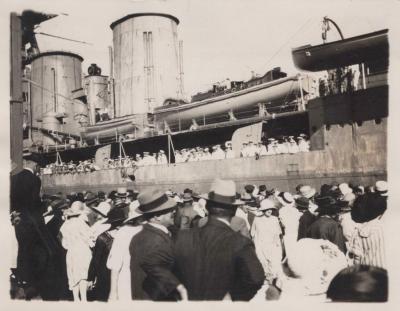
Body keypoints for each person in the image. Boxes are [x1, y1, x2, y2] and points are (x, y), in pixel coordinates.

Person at [173, 179, 264, 300]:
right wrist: (234, 297)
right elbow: (255, 279)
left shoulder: (183, 238)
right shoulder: (240, 243)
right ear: (234, 210)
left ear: (207, 206)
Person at [129, 189, 186, 300]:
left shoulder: (138, 237)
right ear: (158, 216)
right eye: (169, 210)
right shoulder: (157, 241)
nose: (174, 212)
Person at [10, 151, 51, 297]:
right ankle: (32, 283)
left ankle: (21, 280)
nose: (39, 169)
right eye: (39, 166)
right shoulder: (35, 180)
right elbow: (34, 203)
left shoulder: (14, 179)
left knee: (22, 250)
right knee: (38, 251)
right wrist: (44, 206)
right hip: (31, 222)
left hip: (17, 220)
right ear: (35, 165)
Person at [87, 207, 127, 301]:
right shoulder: (103, 238)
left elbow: (96, 259)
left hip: (112, 274)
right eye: (120, 223)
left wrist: (90, 278)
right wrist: (90, 278)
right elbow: (96, 259)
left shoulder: (104, 237)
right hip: (106, 275)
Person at [107, 201, 144, 301]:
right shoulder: (124, 232)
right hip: (128, 281)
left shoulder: (150, 231)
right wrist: (113, 292)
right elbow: (115, 265)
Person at [59, 201, 94, 301]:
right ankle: (84, 299)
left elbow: (64, 244)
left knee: (73, 275)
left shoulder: (65, 225)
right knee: (83, 275)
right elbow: (90, 239)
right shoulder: (81, 223)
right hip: (83, 251)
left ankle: (76, 298)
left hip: (71, 252)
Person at [251, 198, 284, 284]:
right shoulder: (257, 219)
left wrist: (279, 248)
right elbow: (253, 234)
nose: (269, 211)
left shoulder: (275, 219)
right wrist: (256, 247)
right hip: (260, 246)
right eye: (267, 209)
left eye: (271, 209)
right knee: (263, 265)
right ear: (263, 210)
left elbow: (278, 235)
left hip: (272, 246)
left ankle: (274, 284)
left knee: (274, 266)